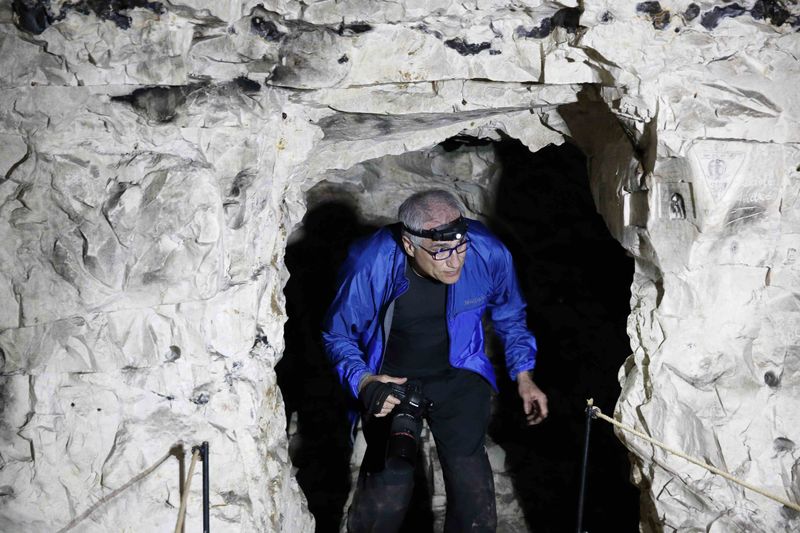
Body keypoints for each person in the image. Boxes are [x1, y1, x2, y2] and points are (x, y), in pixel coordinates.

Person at [322, 189, 548, 532]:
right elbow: (337, 334)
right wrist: (365, 382)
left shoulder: (489, 252)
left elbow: (510, 314)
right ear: (410, 245)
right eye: (441, 252)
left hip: (459, 375)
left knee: (473, 493)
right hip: (393, 382)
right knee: (389, 486)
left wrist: (524, 376)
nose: (455, 260)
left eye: (460, 246)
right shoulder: (370, 263)